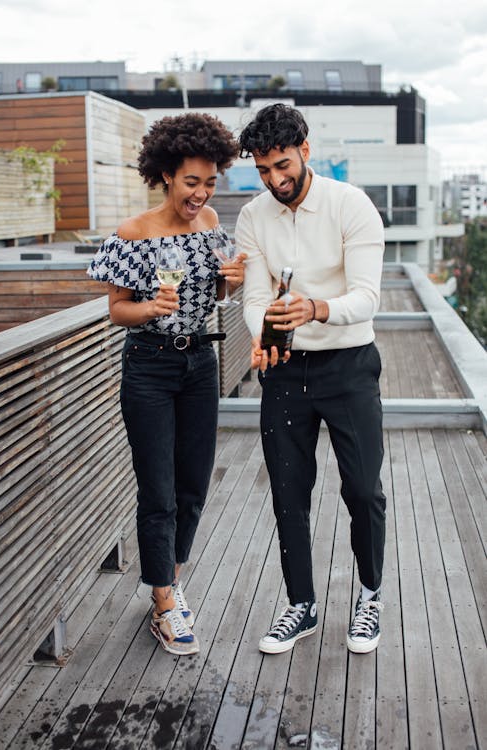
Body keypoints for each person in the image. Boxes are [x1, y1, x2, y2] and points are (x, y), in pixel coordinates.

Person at [88, 113, 245, 655]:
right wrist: (148, 306)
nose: (201, 194)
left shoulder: (210, 228)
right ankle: (163, 603)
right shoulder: (132, 233)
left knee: (193, 485)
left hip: (201, 364)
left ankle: (169, 583)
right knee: (157, 489)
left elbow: (219, 300)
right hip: (150, 365)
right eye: (190, 182)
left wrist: (230, 286)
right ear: (165, 177)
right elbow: (115, 311)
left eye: (209, 182)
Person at [236, 103, 386, 655]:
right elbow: (255, 297)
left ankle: (370, 596)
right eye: (263, 171)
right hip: (285, 369)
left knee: (364, 490)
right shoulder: (253, 217)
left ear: (304, 148)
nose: (276, 180)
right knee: (287, 493)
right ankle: (301, 605)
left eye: (282, 165)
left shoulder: (353, 206)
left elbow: (368, 297)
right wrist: (266, 334)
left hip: (348, 365)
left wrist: (315, 309)